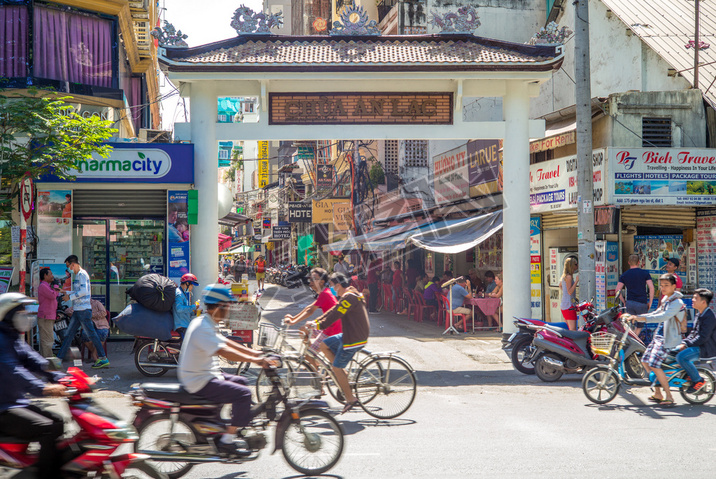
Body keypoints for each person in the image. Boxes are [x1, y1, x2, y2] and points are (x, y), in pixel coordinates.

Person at [178, 284, 274, 457]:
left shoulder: (207, 322)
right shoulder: (203, 327)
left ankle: (232, 425)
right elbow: (224, 351)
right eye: (227, 305)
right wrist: (256, 360)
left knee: (242, 382)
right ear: (219, 306)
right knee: (243, 394)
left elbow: (227, 342)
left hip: (206, 374)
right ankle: (226, 442)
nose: (230, 309)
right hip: (199, 380)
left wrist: (257, 353)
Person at [0, 293, 68, 479]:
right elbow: (14, 372)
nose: (26, 316)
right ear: (8, 314)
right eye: (20, 312)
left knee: (58, 421)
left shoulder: (12, 337)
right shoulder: (1, 340)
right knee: (48, 428)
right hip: (4, 409)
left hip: (16, 402)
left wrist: (59, 377)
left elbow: (33, 360)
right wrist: (44, 388)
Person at [305, 273, 370, 414]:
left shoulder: (349, 297)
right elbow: (333, 310)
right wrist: (317, 322)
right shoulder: (349, 294)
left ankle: (350, 399)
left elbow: (336, 315)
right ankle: (342, 374)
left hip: (354, 338)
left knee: (336, 368)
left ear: (339, 285)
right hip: (349, 333)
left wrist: (318, 326)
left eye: (334, 286)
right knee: (324, 345)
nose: (333, 289)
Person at [624, 274, 685, 406]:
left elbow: (663, 316)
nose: (663, 288)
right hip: (659, 337)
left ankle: (669, 396)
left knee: (654, 364)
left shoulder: (677, 302)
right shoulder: (666, 300)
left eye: (666, 285)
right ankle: (658, 392)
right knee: (645, 361)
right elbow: (655, 313)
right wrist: (637, 317)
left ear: (674, 286)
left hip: (668, 339)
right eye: (661, 286)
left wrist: (642, 318)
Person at [57, 255, 109, 368]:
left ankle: (103, 358)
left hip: (83, 310)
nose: (68, 269)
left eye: (68, 266)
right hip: (78, 310)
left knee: (90, 334)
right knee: (69, 335)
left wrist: (69, 298)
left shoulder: (82, 274)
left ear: (73, 264)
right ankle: (58, 359)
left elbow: (83, 291)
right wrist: (65, 292)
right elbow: (78, 291)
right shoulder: (78, 275)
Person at [284, 268, 341, 368]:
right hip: (328, 327)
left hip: (332, 329)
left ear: (322, 282)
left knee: (308, 355)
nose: (311, 281)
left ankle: (317, 373)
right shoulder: (323, 292)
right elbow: (309, 307)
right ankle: (314, 357)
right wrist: (293, 318)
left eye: (314, 279)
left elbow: (310, 311)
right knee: (303, 330)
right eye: (311, 279)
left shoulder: (325, 294)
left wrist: (293, 322)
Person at [672, 288, 716, 394]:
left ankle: (698, 380)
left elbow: (703, 337)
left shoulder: (709, 317)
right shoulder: (700, 314)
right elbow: (693, 333)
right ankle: (687, 374)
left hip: (706, 348)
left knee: (681, 357)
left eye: (695, 298)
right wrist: (684, 342)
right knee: (672, 351)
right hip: (699, 345)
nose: (692, 300)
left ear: (703, 302)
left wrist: (687, 345)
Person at [615, 254, 655, 336]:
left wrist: (624, 301)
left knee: (630, 324)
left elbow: (617, 290)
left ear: (629, 262)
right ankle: (635, 339)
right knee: (640, 325)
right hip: (641, 303)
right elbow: (651, 287)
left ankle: (632, 339)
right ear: (639, 262)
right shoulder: (645, 273)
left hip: (630, 302)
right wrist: (650, 302)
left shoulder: (624, 275)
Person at [37, 268, 58, 358]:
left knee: (46, 340)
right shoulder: (43, 286)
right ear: (45, 276)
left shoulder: (47, 286)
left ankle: (44, 361)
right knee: (48, 340)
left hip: (49, 316)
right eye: (50, 274)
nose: (52, 276)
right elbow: (53, 295)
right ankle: (48, 361)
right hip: (46, 317)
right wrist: (56, 286)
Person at [173, 273, 198, 339]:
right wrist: (193, 306)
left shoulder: (182, 293)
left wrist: (194, 312)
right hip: (181, 326)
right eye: (192, 285)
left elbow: (184, 311)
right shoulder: (179, 294)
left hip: (185, 324)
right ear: (187, 283)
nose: (192, 288)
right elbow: (179, 309)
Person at [559, 257, 579, 330]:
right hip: (569, 306)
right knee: (573, 330)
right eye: (575, 264)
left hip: (565, 305)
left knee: (567, 329)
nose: (577, 266)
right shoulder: (569, 277)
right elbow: (570, 292)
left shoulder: (565, 276)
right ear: (571, 266)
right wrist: (576, 281)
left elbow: (560, 285)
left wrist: (566, 294)